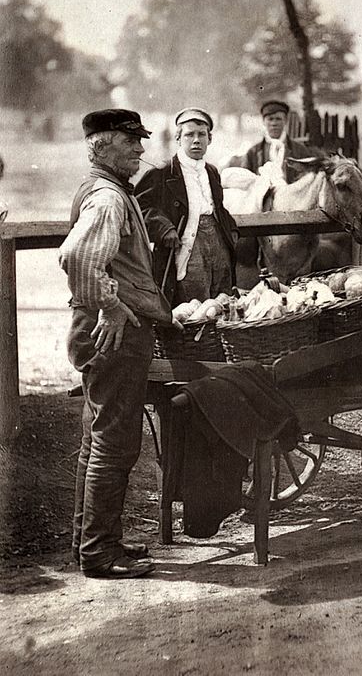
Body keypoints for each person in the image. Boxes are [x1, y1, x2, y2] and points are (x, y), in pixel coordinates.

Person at [59, 108, 176, 578]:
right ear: (102, 145)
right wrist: (109, 307)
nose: (141, 149)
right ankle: (100, 554)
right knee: (114, 442)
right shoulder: (107, 198)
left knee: (96, 439)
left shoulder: (104, 190)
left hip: (104, 332)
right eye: (131, 142)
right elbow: (77, 258)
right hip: (114, 334)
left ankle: (89, 544)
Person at [134, 108, 238, 306]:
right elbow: (139, 207)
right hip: (185, 246)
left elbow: (218, 207)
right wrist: (164, 228)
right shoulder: (163, 172)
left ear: (210, 139)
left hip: (217, 243)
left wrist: (231, 229)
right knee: (194, 304)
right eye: (190, 134)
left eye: (202, 135)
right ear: (178, 138)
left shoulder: (212, 172)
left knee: (221, 298)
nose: (196, 140)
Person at [223, 100, 312, 184]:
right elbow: (245, 179)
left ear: (285, 121)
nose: (274, 123)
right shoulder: (253, 152)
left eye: (278, 119)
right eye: (270, 119)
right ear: (264, 122)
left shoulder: (300, 151)